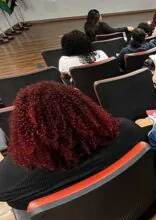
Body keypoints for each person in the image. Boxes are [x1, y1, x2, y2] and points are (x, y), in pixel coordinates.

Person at [0, 82, 146, 209]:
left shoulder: (9, 179)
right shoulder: (128, 131)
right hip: (133, 203)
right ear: (83, 107)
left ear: (23, 128)